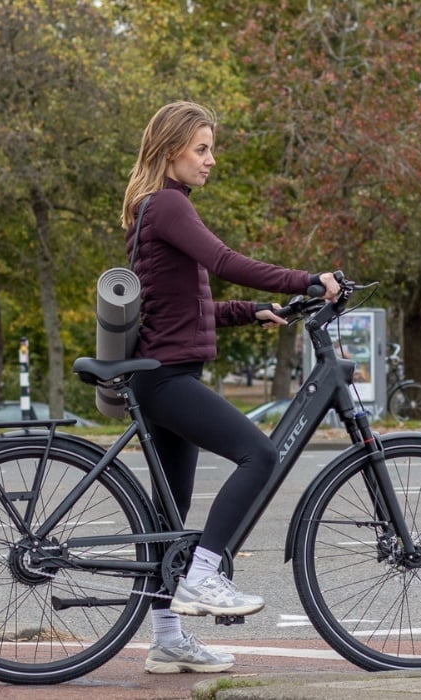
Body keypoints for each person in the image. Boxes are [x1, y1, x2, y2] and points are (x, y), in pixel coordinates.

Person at [121, 101, 341, 674]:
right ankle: (203, 575)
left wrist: (252, 311)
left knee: (169, 516)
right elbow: (222, 260)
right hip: (166, 379)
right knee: (259, 454)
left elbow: (182, 309)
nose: (211, 160)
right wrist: (306, 280)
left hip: (161, 374)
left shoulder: (153, 209)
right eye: (202, 148)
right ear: (171, 149)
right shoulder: (168, 203)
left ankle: (166, 639)